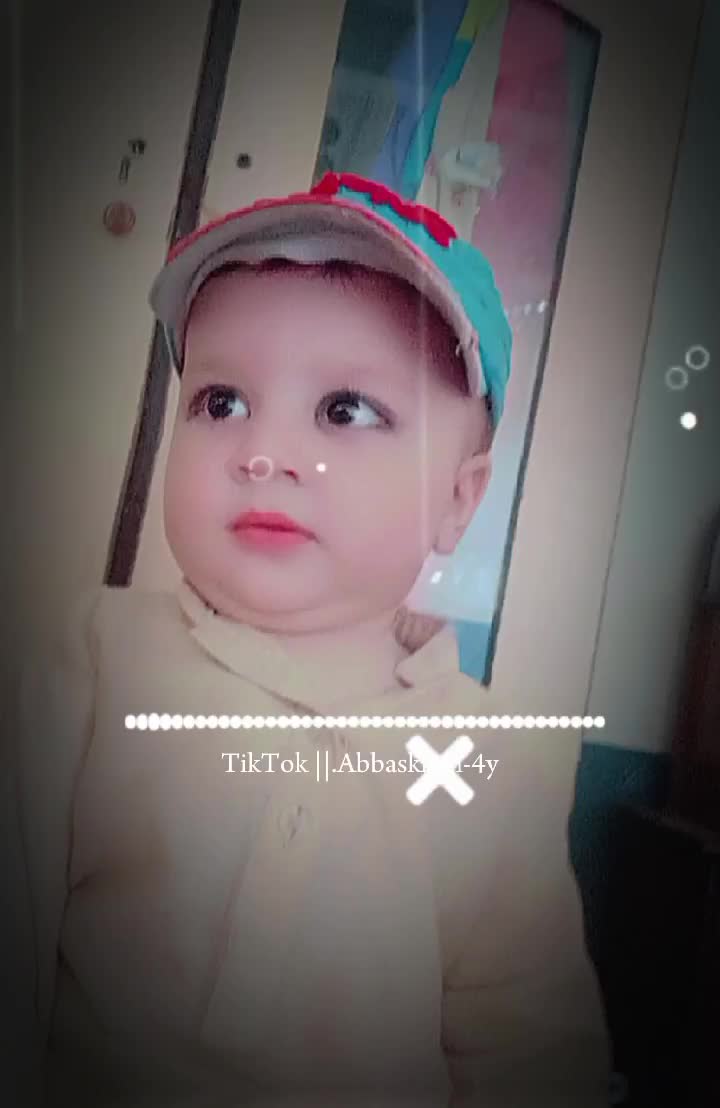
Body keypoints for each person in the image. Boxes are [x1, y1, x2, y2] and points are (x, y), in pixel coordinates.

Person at [8, 172, 610, 1107]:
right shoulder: (92, 660)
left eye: (346, 410)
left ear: (458, 500)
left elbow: (529, 1051)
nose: (264, 453)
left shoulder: (488, 762)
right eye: (220, 402)